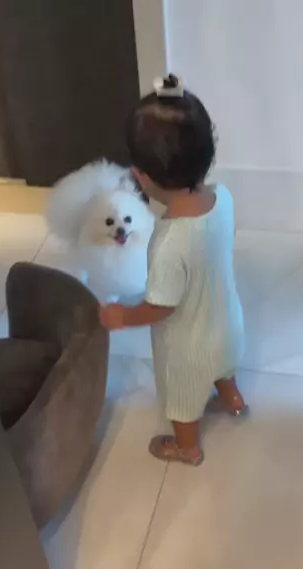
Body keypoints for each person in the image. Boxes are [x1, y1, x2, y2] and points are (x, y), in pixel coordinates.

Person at [99, 74, 247, 466]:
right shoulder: (224, 198)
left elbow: (161, 307)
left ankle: (187, 447)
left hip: (187, 349)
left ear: (142, 177)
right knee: (223, 365)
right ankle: (232, 398)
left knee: (182, 399)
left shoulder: (167, 242)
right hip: (228, 323)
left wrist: (123, 316)